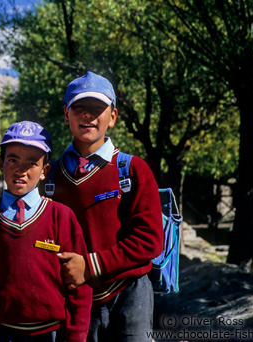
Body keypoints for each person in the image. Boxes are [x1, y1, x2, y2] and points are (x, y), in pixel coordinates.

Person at [40, 71, 164, 342]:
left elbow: (151, 240)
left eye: (98, 108)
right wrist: (57, 256)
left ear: (113, 117)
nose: (88, 115)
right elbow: (42, 242)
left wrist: (90, 265)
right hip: (73, 299)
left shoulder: (133, 170)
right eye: (79, 107)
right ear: (66, 114)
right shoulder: (50, 177)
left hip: (130, 295)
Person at [0, 121, 92, 342]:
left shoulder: (61, 217)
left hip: (53, 333)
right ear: (1, 164)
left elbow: (79, 286)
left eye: (31, 163)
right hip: (3, 333)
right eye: (13, 160)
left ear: (45, 171)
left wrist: (75, 338)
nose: (21, 169)